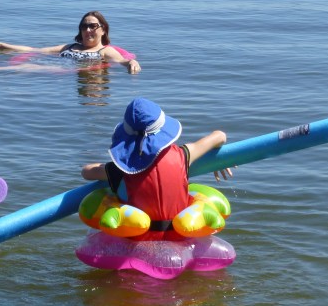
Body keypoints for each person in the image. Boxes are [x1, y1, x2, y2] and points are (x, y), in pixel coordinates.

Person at [81, 97, 232, 242]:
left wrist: (105, 166)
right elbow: (220, 136)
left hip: (137, 240)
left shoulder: (120, 170)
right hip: (180, 235)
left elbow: (87, 172)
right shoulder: (184, 155)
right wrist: (218, 158)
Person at [0, 10, 141, 75]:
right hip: (54, 63)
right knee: (29, 64)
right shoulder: (70, 47)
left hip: (64, 71)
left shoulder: (104, 52)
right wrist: (3, 45)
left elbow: (123, 61)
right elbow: (37, 50)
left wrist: (132, 63)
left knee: (30, 68)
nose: (87, 30)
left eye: (92, 26)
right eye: (84, 26)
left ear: (103, 29)